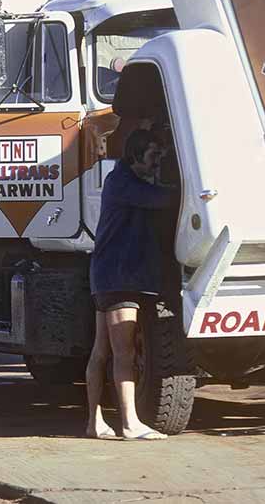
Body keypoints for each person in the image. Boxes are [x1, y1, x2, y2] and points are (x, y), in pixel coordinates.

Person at [85, 128, 178, 440]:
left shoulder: (120, 180)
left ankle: (95, 423)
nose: (156, 164)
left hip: (108, 275)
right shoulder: (125, 183)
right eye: (153, 156)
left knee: (101, 352)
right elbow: (164, 199)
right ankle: (129, 424)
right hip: (119, 277)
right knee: (124, 352)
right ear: (136, 154)